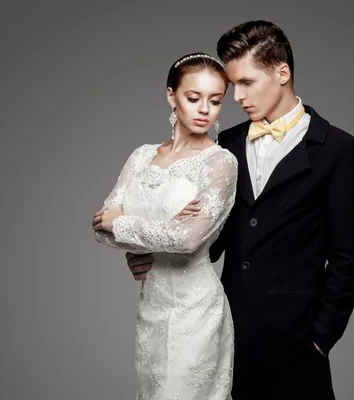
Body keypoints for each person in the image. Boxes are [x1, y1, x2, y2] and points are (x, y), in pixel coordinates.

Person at [126, 21, 354, 400]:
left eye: (247, 82)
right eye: (233, 84)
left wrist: (322, 337)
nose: (236, 96)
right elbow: (211, 235)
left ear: (282, 72)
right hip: (223, 328)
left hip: (296, 339)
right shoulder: (227, 144)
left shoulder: (338, 149)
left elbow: (347, 256)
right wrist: (152, 254)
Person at [92, 52, 238, 400]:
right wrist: (146, 238)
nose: (205, 109)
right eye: (193, 97)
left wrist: (123, 223)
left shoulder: (221, 163)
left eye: (215, 101)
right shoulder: (142, 156)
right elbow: (100, 225)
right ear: (171, 95)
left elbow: (187, 240)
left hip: (196, 308)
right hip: (152, 306)